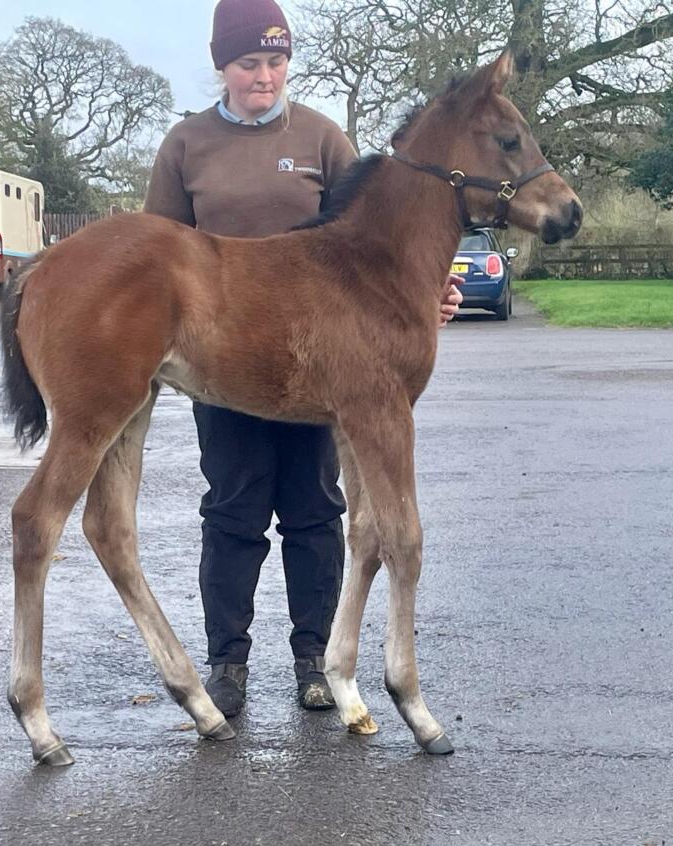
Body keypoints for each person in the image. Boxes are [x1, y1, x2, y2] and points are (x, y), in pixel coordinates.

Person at [143, 0, 463, 717]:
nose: (264, 75)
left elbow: (374, 236)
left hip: (318, 354)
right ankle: (228, 662)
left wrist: (426, 289)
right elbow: (157, 255)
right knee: (232, 509)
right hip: (222, 356)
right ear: (222, 65)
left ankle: (313, 658)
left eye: (275, 61)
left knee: (314, 510)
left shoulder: (321, 136)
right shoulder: (186, 145)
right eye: (249, 63)